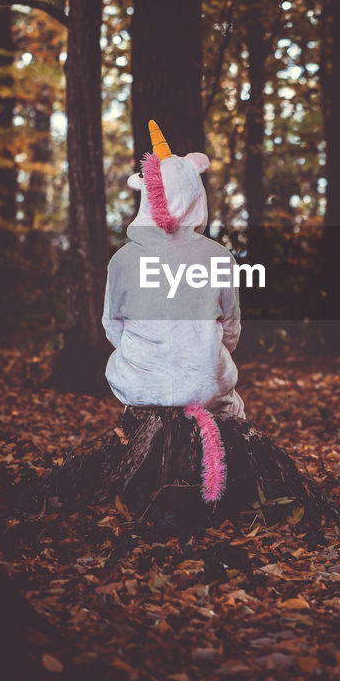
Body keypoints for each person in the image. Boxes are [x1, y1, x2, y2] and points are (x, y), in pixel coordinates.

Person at [101, 120, 244, 501]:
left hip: (137, 386)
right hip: (205, 390)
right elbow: (230, 327)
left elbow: (112, 325)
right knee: (227, 388)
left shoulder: (122, 261)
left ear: (146, 195)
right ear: (197, 194)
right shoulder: (218, 258)